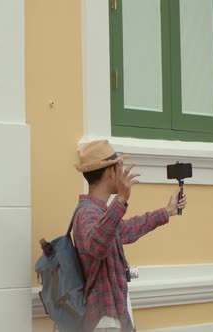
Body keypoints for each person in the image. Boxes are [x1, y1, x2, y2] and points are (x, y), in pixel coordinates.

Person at [72, 140, 187, 332]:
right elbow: (97, 246)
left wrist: (167, 211)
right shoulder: (87, 213)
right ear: (111, 172)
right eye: (120, 167)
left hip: (115, 317)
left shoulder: (100, 213)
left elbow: (126, 230)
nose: (123, 173)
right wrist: (121, 200)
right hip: (106, 322)